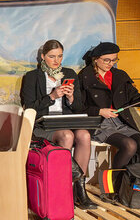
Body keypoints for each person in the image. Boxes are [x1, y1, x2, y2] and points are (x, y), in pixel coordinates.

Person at [79, 42, 140, 180]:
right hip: (99, 123)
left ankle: (130, 184)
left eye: (114, 60)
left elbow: (136, 99)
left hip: (121, 121)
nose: (111, 63)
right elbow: (78, 107)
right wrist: (99, 111)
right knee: (129, 145)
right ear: (95, 59)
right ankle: (113, 185)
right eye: (107, 60)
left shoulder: (120, 76)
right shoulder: (85, 77)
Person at [20, 40, 95, 209]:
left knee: (84, 135)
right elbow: (30, 108)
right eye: (52, 56)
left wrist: (71, 98)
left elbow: (79, 108)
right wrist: (52, 97)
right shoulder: (32, 77)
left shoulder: (69, 74)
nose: (56, 60)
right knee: (67, 136)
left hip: (66, 120)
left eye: (60, 56)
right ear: (43, 57)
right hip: (43, 124)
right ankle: (61, 189)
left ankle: (79, 189)